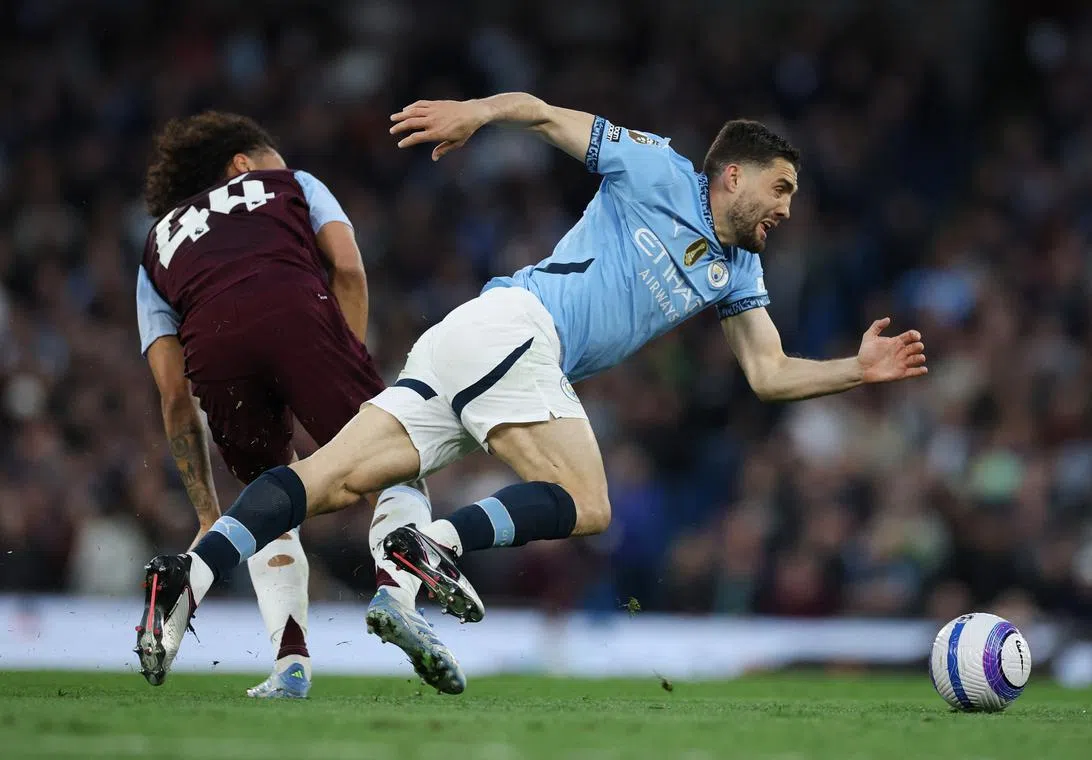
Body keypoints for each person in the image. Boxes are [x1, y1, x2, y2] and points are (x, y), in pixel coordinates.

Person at [136, 92, 928, 682]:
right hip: (519, 328)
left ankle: (191, 572)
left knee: (329, 482)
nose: (788, 208)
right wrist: (474, 116)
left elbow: (768, 372)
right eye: (781, 189)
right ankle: (433, 546)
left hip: (470, 342)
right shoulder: (657, 166)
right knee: (588, 501)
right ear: (732, 176)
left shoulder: (739, 271)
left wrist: (856, 371)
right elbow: (545, 114)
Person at [134, 112, 461, 696]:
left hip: (211, 347)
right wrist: (350, 385)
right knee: (398, 457)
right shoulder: (294, 184)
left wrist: (209, 515)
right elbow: (349, 268)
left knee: (268, 497)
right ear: (243, 164)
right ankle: (396, 594)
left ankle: (287, 664)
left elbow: (173, 394)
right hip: (295, 311)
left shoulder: (156, 247)